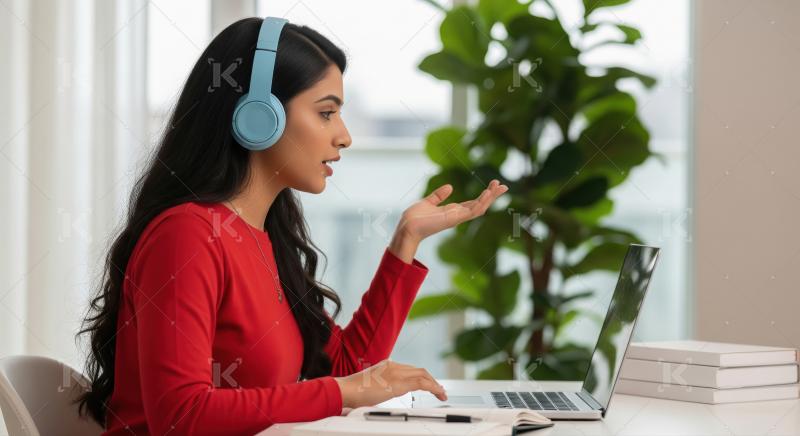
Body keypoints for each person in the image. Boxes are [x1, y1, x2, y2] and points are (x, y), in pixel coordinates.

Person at [76, 17, 508, 435]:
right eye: (326, 113)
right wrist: (343, 392)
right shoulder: (187, 235)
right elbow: (182, 415)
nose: (344, 136)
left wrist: (406, 240)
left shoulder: (264, 238)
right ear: (259, 116)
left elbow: (348, 369)